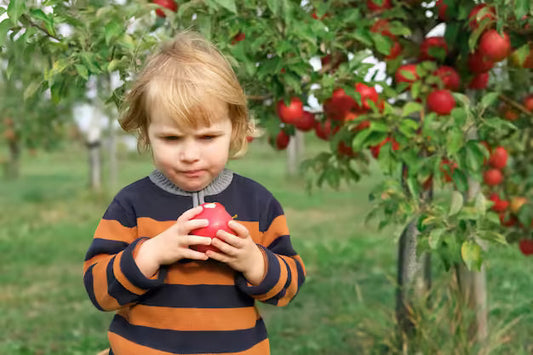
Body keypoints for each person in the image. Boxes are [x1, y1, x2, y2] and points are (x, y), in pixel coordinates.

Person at [83, 30, 306, 355]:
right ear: (147, 133)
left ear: (236, 128)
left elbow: (289, 286)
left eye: (207, 137)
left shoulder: (257, 203)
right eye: (172, 139)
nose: (190, 155)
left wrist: (253, 260)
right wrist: (152, 253)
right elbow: (99, 290)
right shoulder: (132, 205)